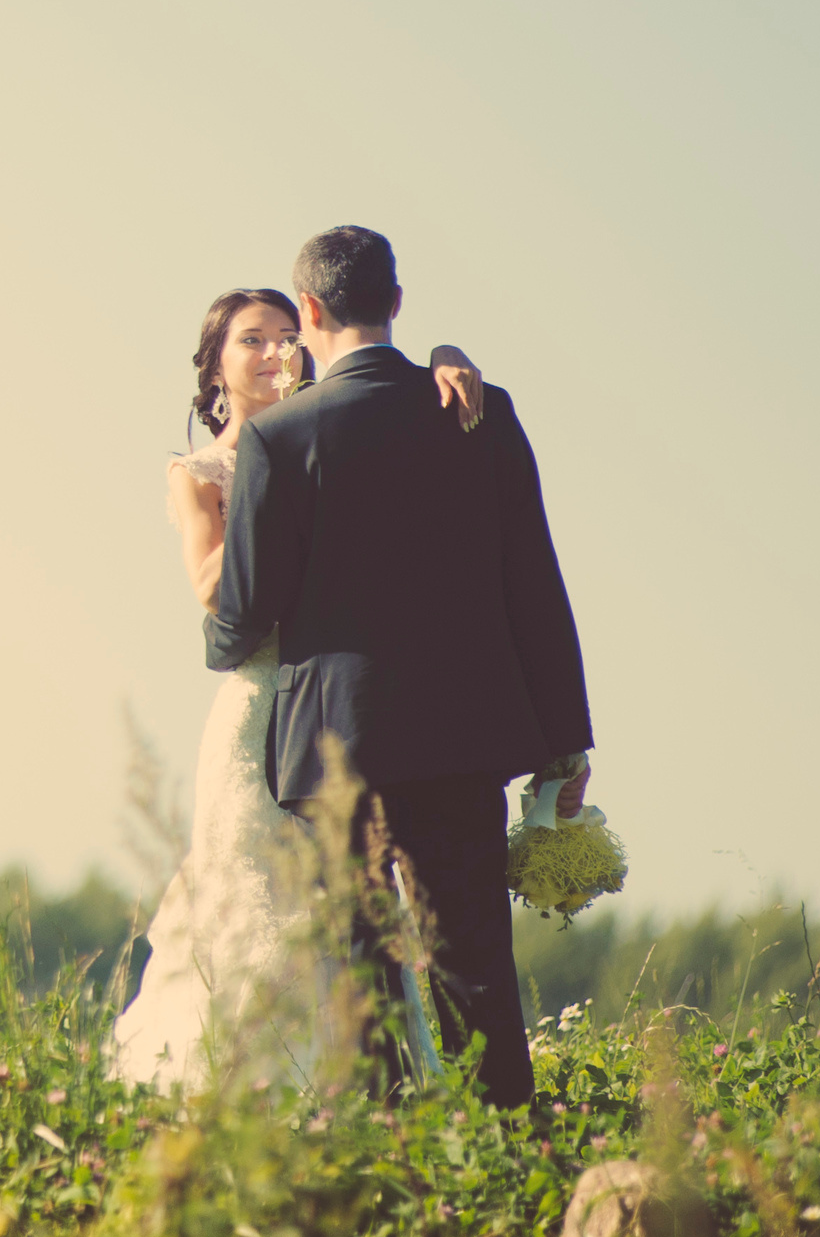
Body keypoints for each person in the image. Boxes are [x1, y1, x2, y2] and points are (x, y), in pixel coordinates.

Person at [206, 226, 593, 1109]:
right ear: (398, 303)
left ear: (307, 312)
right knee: (473, 966)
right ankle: (504, 1154)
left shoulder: (283, 437)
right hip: (463, 738)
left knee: (361, 967)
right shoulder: (480, 410)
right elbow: (535, 581)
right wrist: (564, 742)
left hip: (333, 752)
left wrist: (219, 643)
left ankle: (393, 1155)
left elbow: (245, 613)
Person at [110, 286, 483, 1091]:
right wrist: (268, 503)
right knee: (254, 896)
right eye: (252, 339)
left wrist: (445, 359)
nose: (276, 351)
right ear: (216, 367)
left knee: (346, 905)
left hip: (343, 715)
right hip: (257, 712)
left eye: (288, 334)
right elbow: (215, 588)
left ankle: (361, 1089)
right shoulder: (201, 472)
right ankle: (249, 1084)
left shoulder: (327, 434)